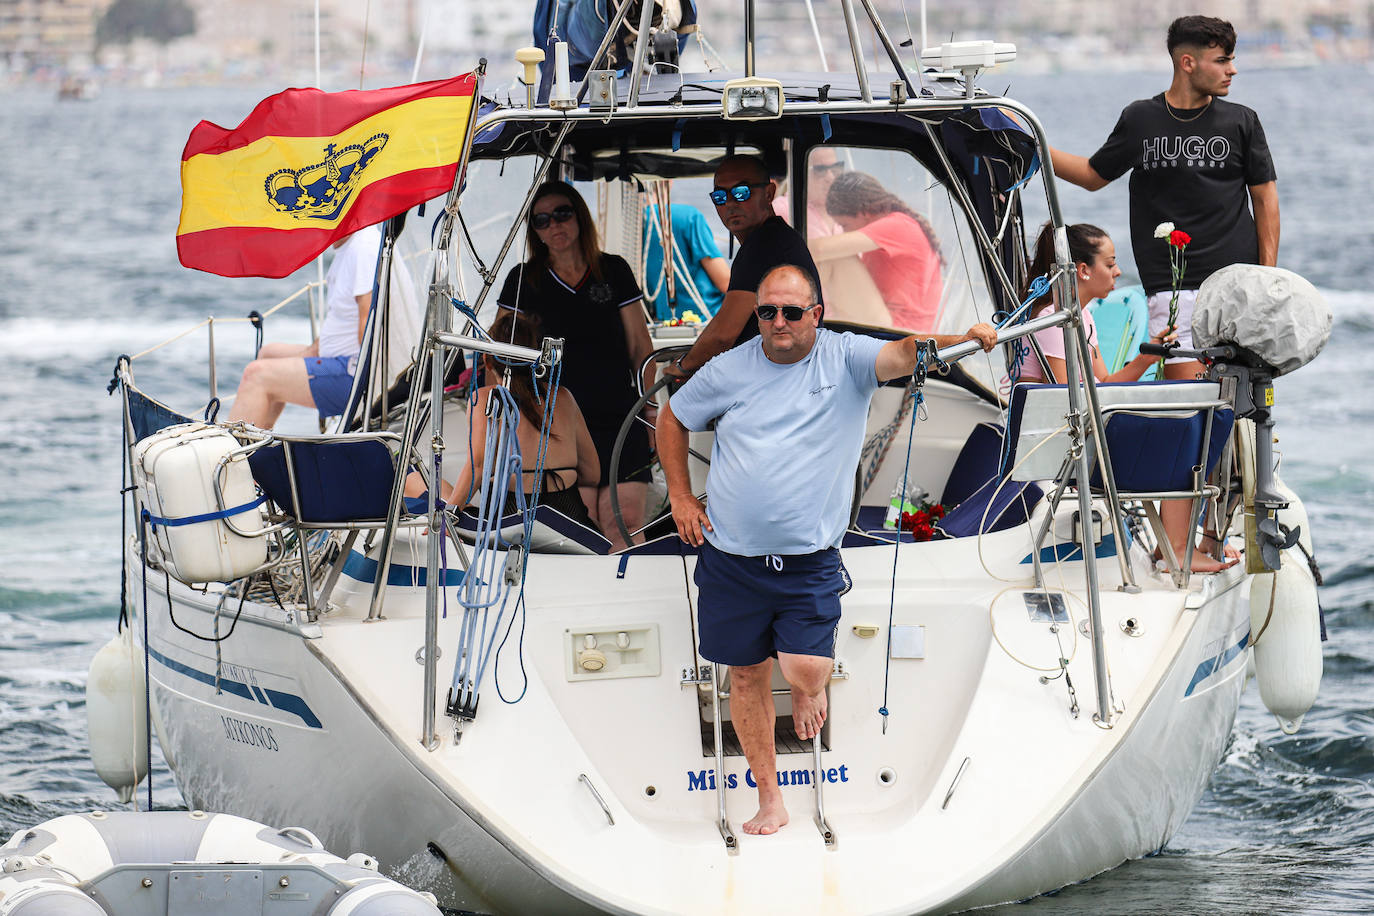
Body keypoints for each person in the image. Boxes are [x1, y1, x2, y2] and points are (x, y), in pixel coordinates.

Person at [657, 264, 996, 836]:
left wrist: (961, 338)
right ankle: (771, 799)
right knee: (745, 678)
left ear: (816, 313)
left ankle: (811, 691)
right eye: (767, 312)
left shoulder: (845, 357)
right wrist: (681, 497)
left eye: (792, 311)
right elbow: (672, 418)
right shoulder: (729, 369)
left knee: (806, 668)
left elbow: (905, 352)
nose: (779, 322)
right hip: (731, 558)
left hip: (808, 560)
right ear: (756, 316)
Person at [1049, 15, 1278, 381]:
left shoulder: (1242, 121)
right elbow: (1093, 175)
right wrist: (1035, 147)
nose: (1232, 70)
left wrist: (1267, 280)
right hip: (1174, 291)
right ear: (1187, 63)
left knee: (1240, 411)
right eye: (1222, 61)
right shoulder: (1141, 119)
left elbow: (1265, 200)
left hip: (1238, 285)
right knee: (1187, 409)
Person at [496, 180, 655, 549]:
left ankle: (630, 602)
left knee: (625, 523)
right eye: (542, 220)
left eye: (562, 214)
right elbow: (501, 352)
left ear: (579, 216)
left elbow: (640, 347)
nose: (554, 225)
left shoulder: (613, 270)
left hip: (619, 416)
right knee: (584, 526)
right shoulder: (523, 280)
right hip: (557, 422)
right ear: (534, 230)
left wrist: (651, 411)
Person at [406, 311, 601, 530]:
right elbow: (593, 474)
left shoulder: (484, 398)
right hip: (568, 515)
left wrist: (448, 518)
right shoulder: (563, 396)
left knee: (414, 481)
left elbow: (477, 468)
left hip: (509, 518)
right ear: (536, 360)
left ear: (487, 361)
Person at [666, 155, 822, 377]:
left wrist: (681, 367)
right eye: (719, 197)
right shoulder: (777, 238)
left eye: (742, 193)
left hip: (781, 380)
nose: (730, 203)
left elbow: (723, 335)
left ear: (769, 193)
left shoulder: (763, 244)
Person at [228, 224, 380, 427]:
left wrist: (370, 385)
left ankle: (232, 454)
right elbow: (344, 319)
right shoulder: (350, 246)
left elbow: (369, 325)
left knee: (256, 375)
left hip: (356, 376)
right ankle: (257, 444)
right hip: (343, 361)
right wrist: (313, 351)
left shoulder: (363, 248)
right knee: (268, 353)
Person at [1014, 223, 1174, 385]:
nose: (1118, 272)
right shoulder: (1053, 319)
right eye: (1110, 265)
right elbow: (1061, 396)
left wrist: (1147, 358)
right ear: (1083, 270)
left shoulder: (1084, 315)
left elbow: (1105, 381)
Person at [812, 171, 944, 332]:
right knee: (833, 253)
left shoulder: (897, 225)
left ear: (864, 212)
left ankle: (799, 311)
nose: (845, 232)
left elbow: (818, 248)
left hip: (899, 330)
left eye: (845, 225)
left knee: (836, 257)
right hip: (893, 323)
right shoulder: (896, 225)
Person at [642, 201, 730, 321]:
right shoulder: (687, 216)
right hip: (706, 317)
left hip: (664, 320)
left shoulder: (631, 227)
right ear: (667, 182)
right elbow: (726, 283)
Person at [772, 146, 844, 238]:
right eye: (820, 170)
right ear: (802, 171)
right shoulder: (784, 207)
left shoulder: (847, 206)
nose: (830, 177)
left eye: (835, 168)